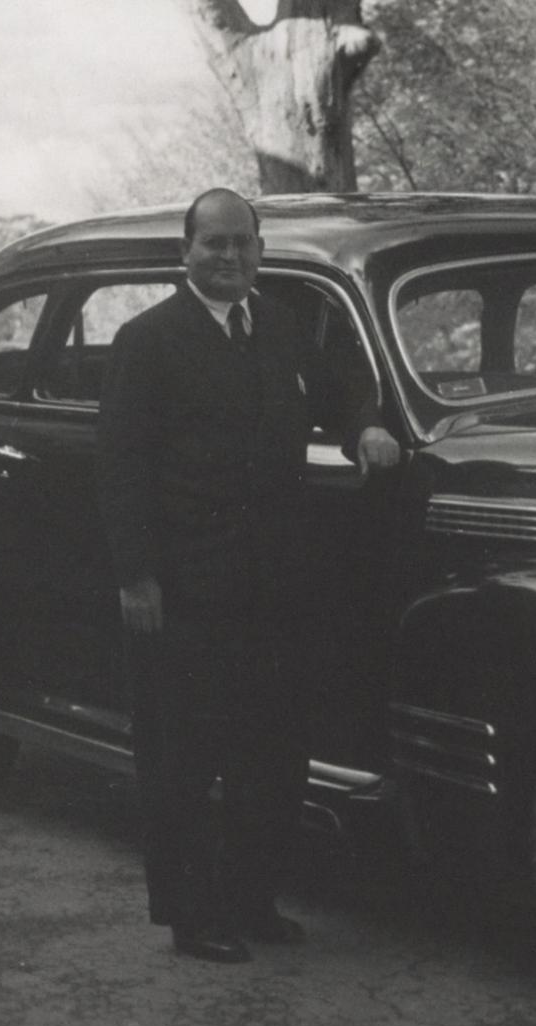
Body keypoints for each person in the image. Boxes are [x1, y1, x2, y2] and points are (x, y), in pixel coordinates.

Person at [97, 188, 401, 963]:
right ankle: (193, 917)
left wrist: (366, 424)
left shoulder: (283, 327)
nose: (229, 257)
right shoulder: (148, 339)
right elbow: (122, 470)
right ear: (186, 251)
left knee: (272, 755)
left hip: (274, 588)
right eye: (213, 244)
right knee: (184, 761)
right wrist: (137, 577)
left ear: (260, 250)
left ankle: (252, 900)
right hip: (187, 587)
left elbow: (342, 387)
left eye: (242, 243)